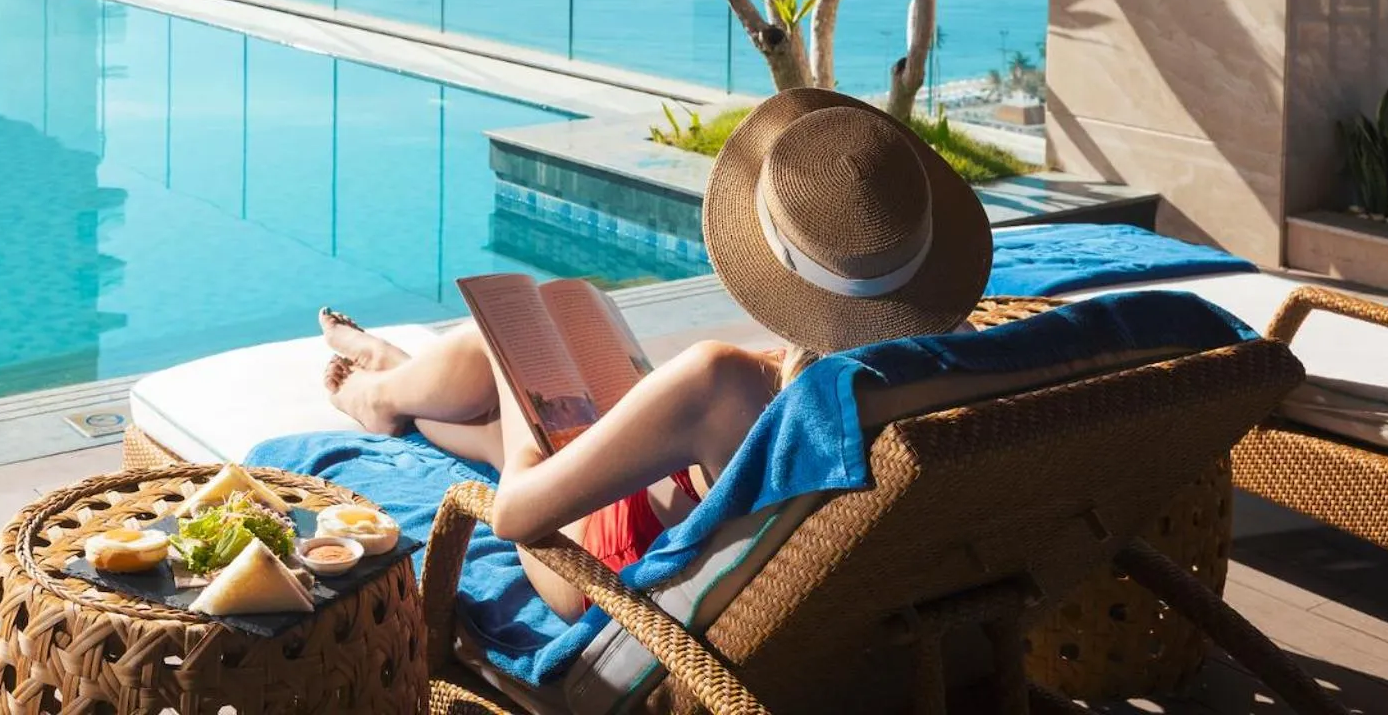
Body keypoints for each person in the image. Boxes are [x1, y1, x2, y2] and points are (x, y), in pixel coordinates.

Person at [318, 88, 993, 622]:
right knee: (505, 387)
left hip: (603, 571)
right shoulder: (954, 368)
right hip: (756, 558)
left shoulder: (723, 384)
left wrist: (524, 387)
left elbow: (517, 515)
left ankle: (380, 392)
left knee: (496, 354)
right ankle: (392, 385)